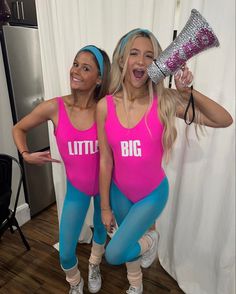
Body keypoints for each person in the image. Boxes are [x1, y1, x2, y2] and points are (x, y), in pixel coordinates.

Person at [96, 28, 233, 294]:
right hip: (119, 192)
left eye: (149, 56)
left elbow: (223, 119)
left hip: (151, 194)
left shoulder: (164, 102)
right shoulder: (105, 106)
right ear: (122, 60)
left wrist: (188, 92)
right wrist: (104, 207)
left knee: (114, 254)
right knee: (127, 243)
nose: (141, 61)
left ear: (158, 64)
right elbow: (105, 161)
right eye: (134, 53)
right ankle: (136, 284)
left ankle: (151, 239)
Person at [12, 45, 111, 294]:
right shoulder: (55, 107)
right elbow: (18, 128)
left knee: (101, 230)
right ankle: (75, 282)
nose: (76, 71)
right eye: (76, 64)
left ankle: (94, 264)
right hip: (77, 190)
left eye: (85, 68)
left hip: (104, 188)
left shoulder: (106, 107)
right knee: (66, 252)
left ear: (99, 79)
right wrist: (26, 155)